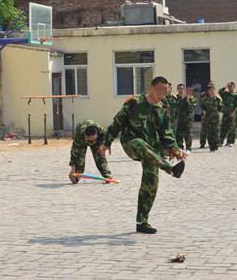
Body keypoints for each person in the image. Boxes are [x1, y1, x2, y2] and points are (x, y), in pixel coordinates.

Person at [101, 76, 187, 234]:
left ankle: (142, 221)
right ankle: (169, 169)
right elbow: (117, 123)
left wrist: (175, 149)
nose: (163, 93)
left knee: (151, 183)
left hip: (152, 150)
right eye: (160, 90)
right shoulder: (134, 102)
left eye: (165, 90)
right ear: (152, 88)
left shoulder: (163, 106)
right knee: (140, 144)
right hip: (131, 143)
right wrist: (106, 143)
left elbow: (166, 131)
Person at [68, 120, 113, 184]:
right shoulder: (79, 136)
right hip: (82, 142)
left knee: (100, 156)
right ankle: (76, 176)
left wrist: (103, 145)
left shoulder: (100, 130)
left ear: (96, 134)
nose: (90, 141)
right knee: (80, 160)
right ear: (86, 136)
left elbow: (106, 137)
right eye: (88, 139)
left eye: (92, 138)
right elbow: (74, 152)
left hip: (97, 141)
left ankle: (107, 175)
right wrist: (72, 169)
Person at [201, 83, 223, 152]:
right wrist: (204, 112)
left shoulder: (218, 99)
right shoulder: (205, 99)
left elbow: (220, 108)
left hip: (215, 118)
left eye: (213, 90)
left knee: (216, 132)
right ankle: (211, 147)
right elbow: (202, 107)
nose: (212, 91)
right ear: (208, 91)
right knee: (209, 133)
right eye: (210, 90)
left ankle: (215, 146)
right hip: (208, 118)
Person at [176, 85, 198, 152]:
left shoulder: (193, 99)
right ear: (177, 89)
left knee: (188, 134)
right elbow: (176, 108)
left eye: (182, 89)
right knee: (179, 134)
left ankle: (188, 148)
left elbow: (191, 108)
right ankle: (180, 147)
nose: (181, 90)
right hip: (179, 119)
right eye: (179, 88)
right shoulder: (176, 98)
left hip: (188, 119)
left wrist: (187, 100)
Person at [219, 82, 237, 147]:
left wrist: (233, 113)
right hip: (225, 113)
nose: (230, 88)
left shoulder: (236, 95)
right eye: (229, 86)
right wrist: (225, 86)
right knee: (223, 128)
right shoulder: (225, 94)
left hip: (232, 114)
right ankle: (220, 141)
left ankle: (230, 142)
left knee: (232, 128)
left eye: (231, 86)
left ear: (234, 87)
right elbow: (219, 92)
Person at [199, 82, 215, 148]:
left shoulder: (215, 95)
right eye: (210, 85)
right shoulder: (204, 94)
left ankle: (212, 143)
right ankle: (202, 143)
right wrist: (203, 110)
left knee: (212, 130)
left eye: (212, 85)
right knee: (204, 130)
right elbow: (200, 103)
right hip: (205, 114)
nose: (211, 86)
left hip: (213, 115)